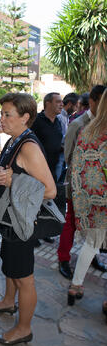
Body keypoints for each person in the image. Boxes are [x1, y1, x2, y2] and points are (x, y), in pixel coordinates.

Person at [0, 93, 56, 346]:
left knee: (24, 277)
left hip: (22, 223)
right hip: (9, 219)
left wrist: (14, 181)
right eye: (1, 113)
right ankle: (7, 302)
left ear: (25, 117)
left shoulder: (28, 147)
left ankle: (24, 329)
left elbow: (50, 190)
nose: (1, 119)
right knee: (9, 265)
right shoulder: (14, 140)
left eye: (7, 114)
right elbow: (2, 175)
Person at [58, 85, 107, 279]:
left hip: (100, 191)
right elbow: (69, 156)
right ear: (93, 102)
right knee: (71, 222)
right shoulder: (78, 124)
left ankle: (92, 256)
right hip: (78, 185)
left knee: (95, 225)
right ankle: (63, 258)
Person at [31, 92, 63, 245]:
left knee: (47, 202)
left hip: (53, 169)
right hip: (37, 170)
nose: (61, 104)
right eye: (58, 102)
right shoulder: (36, 121)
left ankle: (43, 232)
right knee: (34, 202)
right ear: (48, 103)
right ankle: (32, 234)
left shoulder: (59, 121)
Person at [56, 93, 79, 182]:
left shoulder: (66, 117)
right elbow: (60, 138)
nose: (76, 110)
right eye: (76, 106)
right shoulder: (60, 117)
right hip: (58, 155)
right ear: (69, 104)